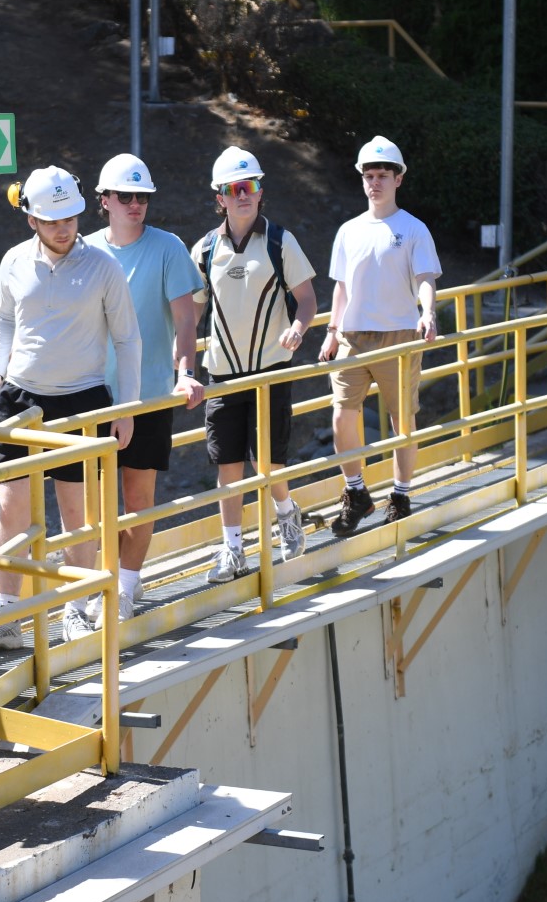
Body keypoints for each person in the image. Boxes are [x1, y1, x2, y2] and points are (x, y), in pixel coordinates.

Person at [0, 165, 142, 650]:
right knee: (11, 509)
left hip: (82, 399)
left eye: (70, 218)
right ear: (31, 219)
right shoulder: (13, 260)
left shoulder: (103, 266)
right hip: (21, 398)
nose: (63, 228)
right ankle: (6, 616)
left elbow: (127, 339)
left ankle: (76, 609)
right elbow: (3, 318)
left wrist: (126, 409)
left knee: (79, 512)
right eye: (52, 221)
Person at [85, 153, 205, 621]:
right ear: (105, 201)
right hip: (92, 399)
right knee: (94, 511)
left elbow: (185, 319)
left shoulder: (168, 247)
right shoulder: (85, 250)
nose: (135, 204)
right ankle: (102, 586)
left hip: (148, 394)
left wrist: (186, 371)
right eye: (126, 196)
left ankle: (124, 589)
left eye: (143, 196)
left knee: (137, 501)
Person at [189, 146, 317, 584]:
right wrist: (180, 364)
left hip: (270, 371)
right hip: (222, 374)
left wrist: (298, 328)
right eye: (234, 189)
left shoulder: (281, 241)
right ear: (220, 198)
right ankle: (233, 550)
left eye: (251, 186)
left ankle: (287, 513)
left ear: (261, 192)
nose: (243, 195)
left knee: (268, 463)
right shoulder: (205, 249)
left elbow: (306, 299)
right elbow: (190, 312)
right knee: (227, 466)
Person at [317, 136, 441, 534]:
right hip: (352, 337)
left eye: (382, 175)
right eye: (369, 176)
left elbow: (425, 278)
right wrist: (332, 331)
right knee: (341, 416)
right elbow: (342, 287)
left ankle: (401, 495)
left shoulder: (413, 228)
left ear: (398, 179)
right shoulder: (349, 230)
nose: (375, 183)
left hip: (398, 335)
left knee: (401, 418)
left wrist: (428, 313)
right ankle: (356, 492)